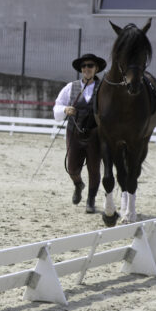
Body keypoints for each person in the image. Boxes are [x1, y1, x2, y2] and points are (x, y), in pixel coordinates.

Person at [53, 53, 106, 214]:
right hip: (74, 132)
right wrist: (65, 109)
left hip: (95, 135)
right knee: (72, 169)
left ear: (96, 69)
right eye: (84, 66)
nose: (86, 68)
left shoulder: (103, 88)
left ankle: (91, 200)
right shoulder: (71, 87)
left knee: (94, 169)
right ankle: (78, 184)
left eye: (90, 65)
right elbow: (57, 106)